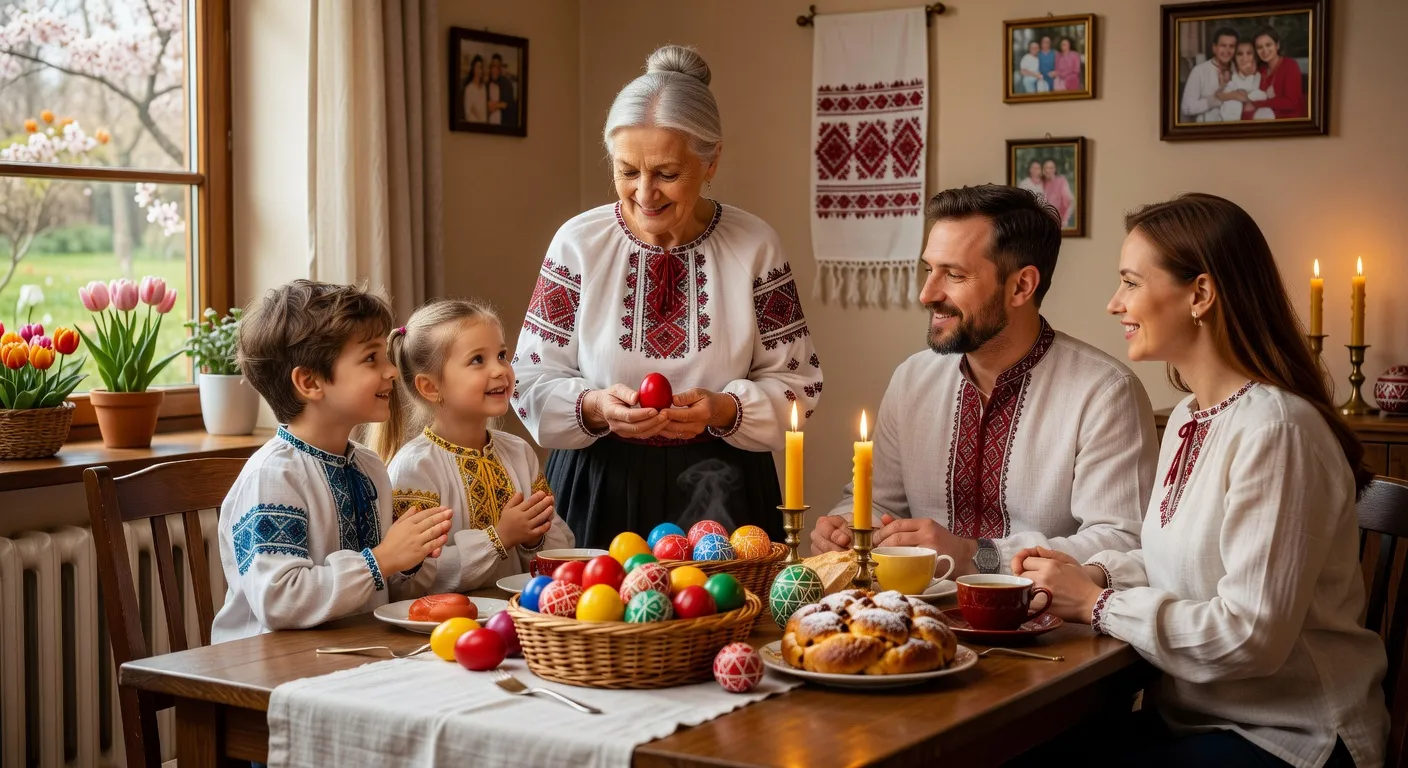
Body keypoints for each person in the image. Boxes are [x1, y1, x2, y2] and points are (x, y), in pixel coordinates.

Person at [1015, 193, 1388, 768]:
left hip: (1289, 737)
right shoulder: (1192, 416)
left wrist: (1097, 604)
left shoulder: (1277, 430)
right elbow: (1185, 562)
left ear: (1201, 294)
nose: (1114, 303)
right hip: (1194, 720)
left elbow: (1250, 637)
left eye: (1131, 283)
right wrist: (1090, 574)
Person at [513, 44, 822, 548]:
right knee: (593, 625)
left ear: (712, 161)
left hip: (727, 488)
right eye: (627, 170)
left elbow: (800, 383)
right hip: (596, 482)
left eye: (667, 174)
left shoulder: (755, 245)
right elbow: (527, 378)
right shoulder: (577, 243)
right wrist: (593, 406)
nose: (644, 193)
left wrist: (723, 409)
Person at [809, 185, 1155, 579]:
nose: (926, 294)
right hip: (916, 619)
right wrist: (844, 528)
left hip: (1047, 630)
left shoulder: (1104, 392)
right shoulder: (912, 379)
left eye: (954, 275)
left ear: (1021, 286)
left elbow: (1122, 540)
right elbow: (875, 504)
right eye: (929, 270)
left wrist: (977, 554)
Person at [211, 280, 452, 644]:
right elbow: (280, 599)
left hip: (352, 653)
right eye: (371, 358)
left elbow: (379, 592)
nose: (390, 371)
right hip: (270, 670)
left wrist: (412, 558)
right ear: (309, 382)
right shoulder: (273, 476)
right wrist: (383, 559)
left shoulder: (369, 467)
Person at [373, 299, 573, 592]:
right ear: (430, 387)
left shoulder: (519, 453)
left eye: (502, 355)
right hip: (447, 631)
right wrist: (499, 538)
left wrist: (533, 539)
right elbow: (409, 582)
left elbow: (562, 549)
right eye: (478, 360)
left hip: (520, 621)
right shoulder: (416, 467)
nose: (500, 370)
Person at [1181, 27, 1238, 122]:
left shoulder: (1237, 69)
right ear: (1214, 48)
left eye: (1231, 46)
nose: (1227, 50)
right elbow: (1186, 108)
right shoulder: (1199, 71)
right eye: (1223, 45)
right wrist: (1213, 100)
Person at [1248, 28, 1306, 119]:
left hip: (1290, 120)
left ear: (1277, 45)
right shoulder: (1261, 70)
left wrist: (1260, 103)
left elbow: (1291, 102)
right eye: (1259, 47)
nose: (1264, 50)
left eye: (1268, 45)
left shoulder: (1289, 65)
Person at [1218, 41, 1268, 122]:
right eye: (1240, 54)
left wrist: (1246, 97)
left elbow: (1264, 95)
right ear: (1234, 58)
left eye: (1249, 53)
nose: (1245, 58)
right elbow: (1222, 95)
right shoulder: (1231, 78)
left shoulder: (1260, 76)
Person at [1041, 159, 1074, 229]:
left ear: (1055, 169)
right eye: (1045, 168)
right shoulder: (1040, 183)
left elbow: (1071, 202)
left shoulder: (1061, 181)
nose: (1048, 170)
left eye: (1050, 168)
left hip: (1058, 222)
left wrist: (1065, 219)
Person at [489, 53, 519, 129]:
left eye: (497, 67)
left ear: (500, 68)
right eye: (493, 66)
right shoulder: (486, 84)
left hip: (504, 126)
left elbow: (507, 104)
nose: (495, 69)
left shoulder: (507, 85)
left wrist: (495, 105)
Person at [463, 55, 487, 123]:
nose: (479, 70)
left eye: (480, 67)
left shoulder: (483, 88)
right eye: (477, 67)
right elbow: (467, 112)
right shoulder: (469, 89)